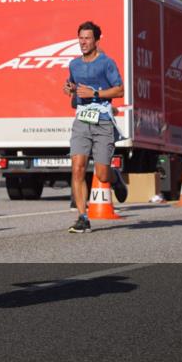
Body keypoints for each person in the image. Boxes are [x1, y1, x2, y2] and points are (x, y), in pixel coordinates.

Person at [63, 21, 126, 233]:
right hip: (82, 119)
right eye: (80, 38)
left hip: (103, 121)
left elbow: (119, 91)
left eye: (87, 38)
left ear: (96, 41)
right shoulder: (74, 64)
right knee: (77, 167)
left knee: (102, 175)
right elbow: (72, 87)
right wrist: (69, 88)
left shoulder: (106, 63)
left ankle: (115, 176)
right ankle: (82, 217)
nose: (83, 42)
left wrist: (95, 94)